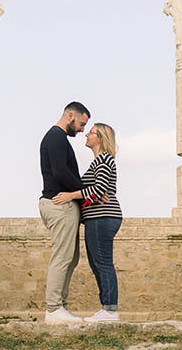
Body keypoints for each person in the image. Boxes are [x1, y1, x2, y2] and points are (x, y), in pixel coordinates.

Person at [52, 122, 121, 323]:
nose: (86, 136)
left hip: (103, 217)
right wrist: (86, 195)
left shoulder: (105, 160)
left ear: (100, 137)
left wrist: (71, 195)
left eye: (91, 133)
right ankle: (107, 309)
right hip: (96, 218)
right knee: (96, 263)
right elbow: (95, 191)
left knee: (103, 263)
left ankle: (110, 310)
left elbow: (98, 190)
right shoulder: (98, 161)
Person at [38, 101, 90, 324]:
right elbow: (60, 172)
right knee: (63, 257)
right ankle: (53, 308)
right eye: (81, 123)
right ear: (70, 115)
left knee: (71, 257)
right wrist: (85, 192)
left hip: (62, 204)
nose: (82, 130)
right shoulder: (56, 137)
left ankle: (60, 307)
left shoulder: (58, 138)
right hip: (59, 204)